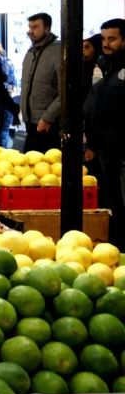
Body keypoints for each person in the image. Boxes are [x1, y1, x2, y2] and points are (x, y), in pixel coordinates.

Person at [85, 19, 125, 245]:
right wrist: (91, 142)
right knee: (111, 202)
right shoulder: (104, 65)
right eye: (104, 38)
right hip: (104, 149)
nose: (106, 43)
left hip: (120, 149)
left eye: (112, 39)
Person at [19, 13, 62, 153]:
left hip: (47, 124)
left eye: (36, 27)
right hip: (30, 122)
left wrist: (48, 118)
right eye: (30, 27)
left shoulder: (58, 51)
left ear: (47, 28)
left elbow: (66, 93)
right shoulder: (31, 51)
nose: (31, 31)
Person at [0, 41, 18, 149]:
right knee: (3, 132)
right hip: (6, 100)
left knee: (1, 132)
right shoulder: (7, 62)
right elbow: (12, 82)